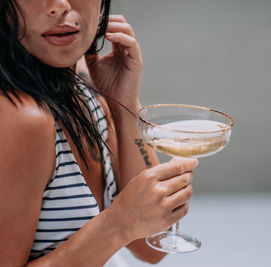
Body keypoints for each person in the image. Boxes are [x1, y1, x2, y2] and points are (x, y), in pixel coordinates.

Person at [0, 0, 199, 265]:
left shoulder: (81, 84)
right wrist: (118, 225)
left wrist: (124, 104)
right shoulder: (21, 117)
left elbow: (152, 245)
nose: (59, 5)